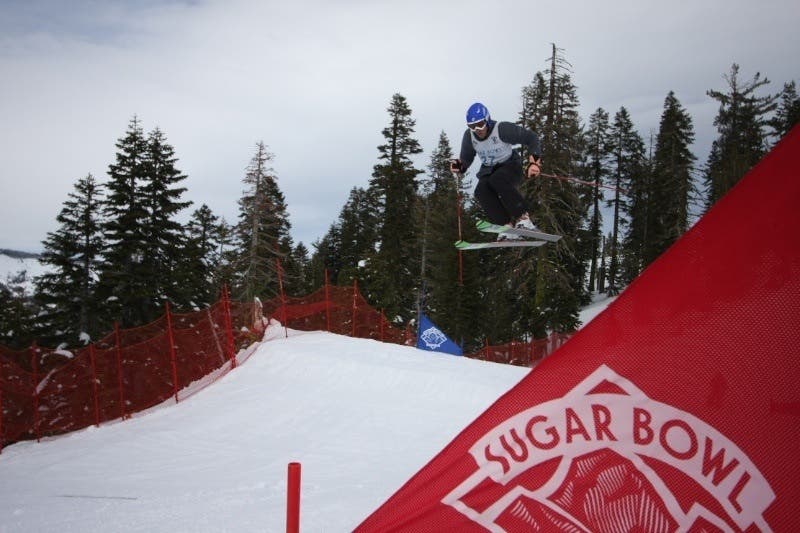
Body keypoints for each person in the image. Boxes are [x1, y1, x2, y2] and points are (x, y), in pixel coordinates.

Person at [449, 102, 542, 240]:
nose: (477, 129)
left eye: (480, 124)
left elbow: (531, 138)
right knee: (481, 191)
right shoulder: (470, 137)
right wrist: (459, 166)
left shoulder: (501, 129)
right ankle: (506, 227)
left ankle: (524, 219)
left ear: (487, 120)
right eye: (472, 126)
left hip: (510, 166)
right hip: (489, 170)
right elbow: (466, 158)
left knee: (498, 179)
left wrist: (534, 163)